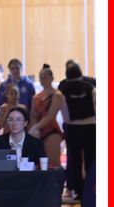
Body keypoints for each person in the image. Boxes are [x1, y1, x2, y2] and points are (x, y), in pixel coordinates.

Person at [58, 60, 96, 199]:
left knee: (75, 161)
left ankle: (78, 192)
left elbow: (65, 114)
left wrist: (70, 123)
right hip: (91, 126)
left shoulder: (63, 89)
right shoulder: (90, 87)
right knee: (91, 159)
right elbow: (96, 107)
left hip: (73, 127)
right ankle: (91, 190)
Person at [28, 65, 67, 169]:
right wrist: (33, 131)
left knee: (53, 164)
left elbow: (50, 116)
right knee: (37, 163)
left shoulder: (57, 95)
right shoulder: (36, 97)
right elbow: (33, 116)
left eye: (45, 77)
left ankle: (58, 180)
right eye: (41, 77)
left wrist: (35, 128)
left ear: (52, 78)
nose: (43, 80)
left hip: (51, 130)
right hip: (37, 130)